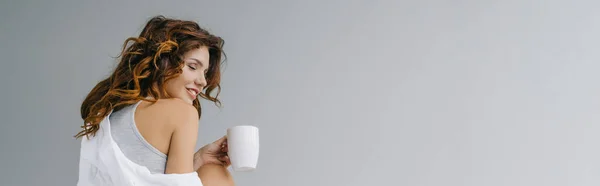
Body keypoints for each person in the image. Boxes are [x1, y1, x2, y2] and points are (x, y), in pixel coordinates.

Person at [75, 15, 234, 186]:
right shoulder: (182, 113)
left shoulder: (109, 115)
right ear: (163, 60)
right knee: (214, 172)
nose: (202, 81)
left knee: (209, 168)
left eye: (205, 73)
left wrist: (199, 158)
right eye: (193, 67)